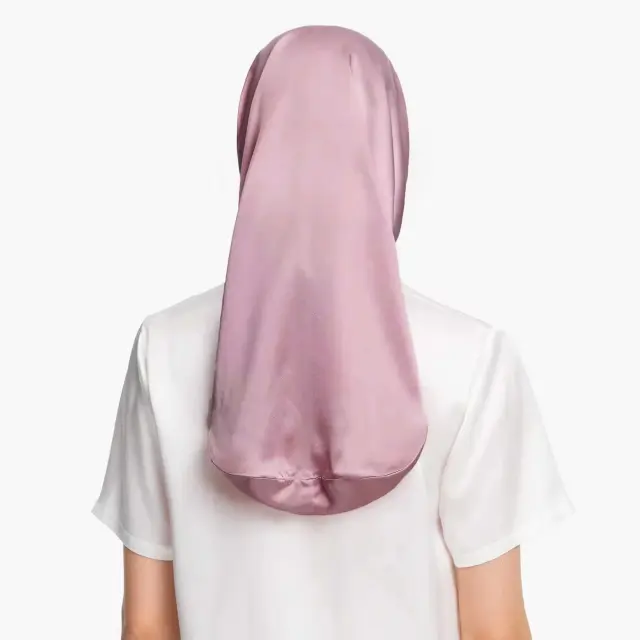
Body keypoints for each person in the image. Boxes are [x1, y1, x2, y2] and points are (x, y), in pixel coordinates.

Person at [92, 25, 573, 640]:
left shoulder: (163, 349)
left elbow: (147, 625)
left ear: (254, 139)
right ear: (389, 148)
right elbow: (494, 628)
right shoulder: (472, 359)